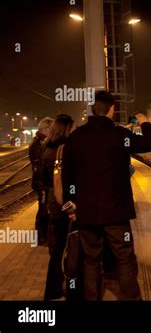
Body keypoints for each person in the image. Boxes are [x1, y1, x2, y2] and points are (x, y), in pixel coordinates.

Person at [62, 91, 151, 300]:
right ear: (112, 109)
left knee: (91, 261)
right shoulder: (120, 135)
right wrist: (145, 123)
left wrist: (71, 207)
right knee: (124, 259)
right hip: (117, 213)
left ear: (91, 109)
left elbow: (67, 177)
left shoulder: (75, 138)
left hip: (86, 214)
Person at [40, 115, 77, 300]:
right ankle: (68, 288)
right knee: (67, 248)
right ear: (67, 128)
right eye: (73, 127)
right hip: (64, 203)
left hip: (53, 203)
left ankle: (52, 289)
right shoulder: (65, 148)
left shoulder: (47, 146)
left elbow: (45, 179)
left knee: (57, 248)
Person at [29, 117, 54, 244]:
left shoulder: (39, 142)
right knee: (43, 208)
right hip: (41, 182)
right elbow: (40, 167)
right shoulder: (39, 144)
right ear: (45, 129)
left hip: (41, 181)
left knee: (44, 207)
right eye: (51, 129)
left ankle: (42, 235)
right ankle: (40, 236)